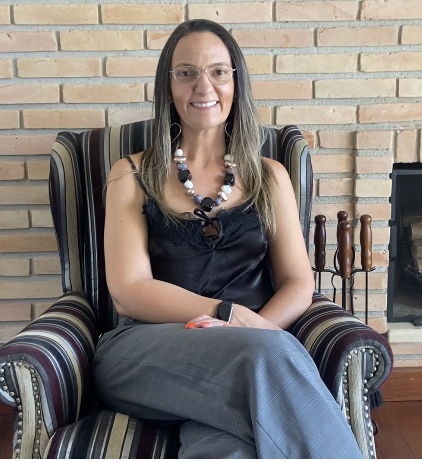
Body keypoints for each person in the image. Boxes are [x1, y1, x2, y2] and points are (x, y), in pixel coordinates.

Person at [92, 19, 363, 459]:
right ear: (168, 86)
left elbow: (298, 281)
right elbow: (129, 290)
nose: (204, 86)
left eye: (218, 71)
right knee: (262, 360)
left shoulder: (270, 176)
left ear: (236, 81)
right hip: (145, 352)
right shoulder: (132, 173)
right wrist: (229, 315)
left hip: (246, 359)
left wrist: (259, 331)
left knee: (228, 448)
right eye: (186, 72)